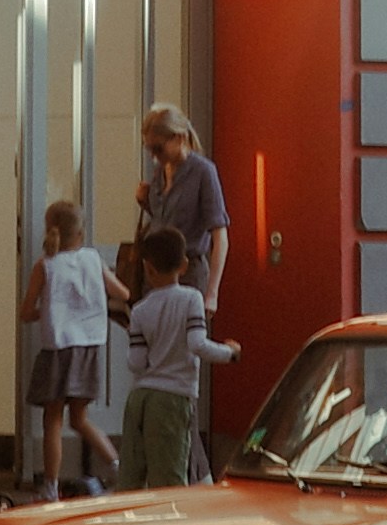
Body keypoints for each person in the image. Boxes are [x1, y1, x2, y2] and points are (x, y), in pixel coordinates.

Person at [134, 102, 231, 472]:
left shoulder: (203, 173)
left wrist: (213, 293)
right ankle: (181, 467)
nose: (155, 158)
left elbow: (219, 234)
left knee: (179, 376)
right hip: (156, 276)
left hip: (189, 274)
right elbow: (161, 223)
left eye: (158, 149)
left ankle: (194, 470)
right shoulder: (160, 177)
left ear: (178, 138)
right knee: (158, 373)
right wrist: (147, 202)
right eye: (150, 152)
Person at [18, 199, 124, 494]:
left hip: (58, 349)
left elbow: (26, 312)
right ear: (80, 234)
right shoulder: (93, 259)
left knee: (53, 419)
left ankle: (51, 486)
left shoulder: (45, 266)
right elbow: (123, 293)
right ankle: (117, 465)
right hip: (89, 348)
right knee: (80, 419)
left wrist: (49, 311)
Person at [120, 223, 237, 486]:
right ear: (184, 265)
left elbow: (136, 363)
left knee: (131, 477)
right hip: (173, 398)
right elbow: (197, 343)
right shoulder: (191, 299)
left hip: (139, 398)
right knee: (169, 478)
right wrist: (230, 353)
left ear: (147, 268)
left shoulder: (140, 310)